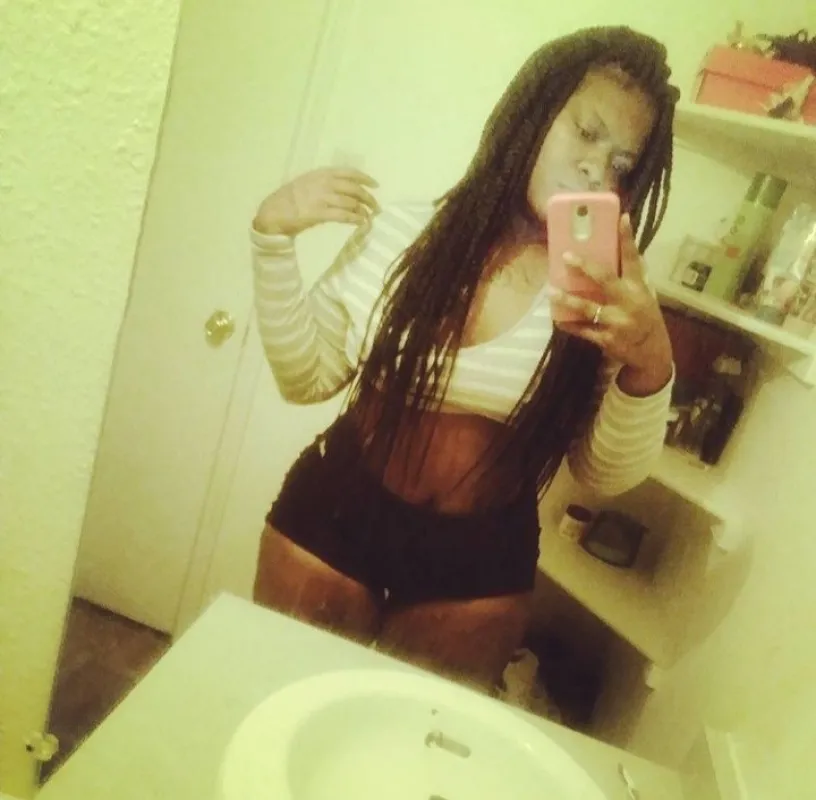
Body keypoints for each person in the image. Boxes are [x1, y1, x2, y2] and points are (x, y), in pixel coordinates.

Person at [250, 25, 678, 689]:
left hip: (477, 560)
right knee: (278, 695)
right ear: (530, 114)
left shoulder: (601, 293)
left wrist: (650, 363)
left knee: (411, 740)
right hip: (337, 511)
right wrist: (272, 240)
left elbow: (600, 473)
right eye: (586, 133)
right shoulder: (400, 235)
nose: (598, 169)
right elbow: (306, 378)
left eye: (622, 164)